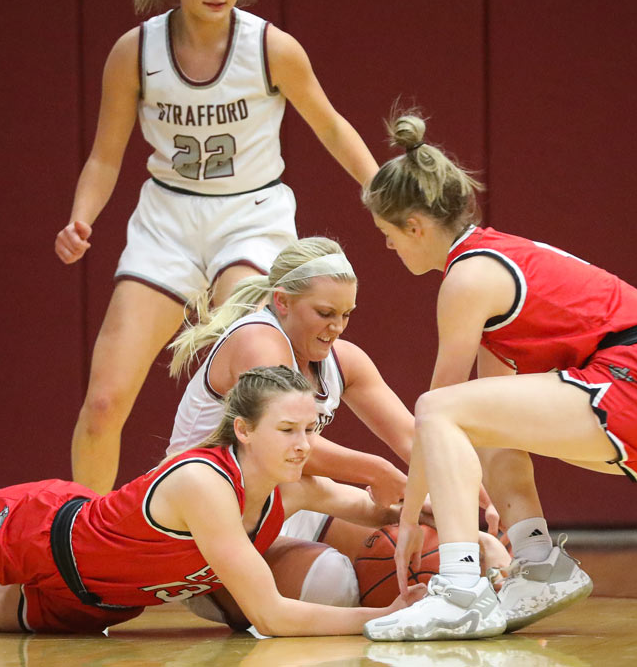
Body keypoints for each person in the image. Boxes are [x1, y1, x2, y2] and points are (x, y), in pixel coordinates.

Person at [357, 111, 637, 641]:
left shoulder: (468, 276)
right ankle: (538, 564)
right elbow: (476, 425)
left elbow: (438, 406)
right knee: (481, 425)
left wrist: (411, 521)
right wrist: (464, 490)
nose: (388, 247)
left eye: (388, 235)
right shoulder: (498, 260)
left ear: (415, 226)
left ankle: (459, 591)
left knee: (438, 408)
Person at [0, 321, 420, 635]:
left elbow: (384, 509)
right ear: (242, 430)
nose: (304, 445)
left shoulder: (292, 487)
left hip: (98, 604)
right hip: (34, 535)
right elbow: (274, 617)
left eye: (310, 430)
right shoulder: (203, 484)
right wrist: (388, 616)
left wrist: (463, 535)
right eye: (288, 431)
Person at [54, 0, 379, 492]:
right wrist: (82, 217)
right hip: (168, 220)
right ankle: (88, 541)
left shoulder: (270, 47)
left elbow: (330, 125)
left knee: (255, 387)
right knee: (103, 401)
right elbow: (105, 157)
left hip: (252, 216)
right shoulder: (135, 51)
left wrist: (380, 192)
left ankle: (243, 535)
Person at [166, 236, 503, 624]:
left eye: (346, 314)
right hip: (211, 517)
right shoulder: (257, 341)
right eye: (325, 312)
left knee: (421, 550)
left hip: (286, 500)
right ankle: (227, 597)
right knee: (332, 583)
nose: (337, 327)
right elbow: (291, 443)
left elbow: (418, 438)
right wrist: (377, 471)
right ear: (282, 301)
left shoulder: (344, 361)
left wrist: (475, 495)